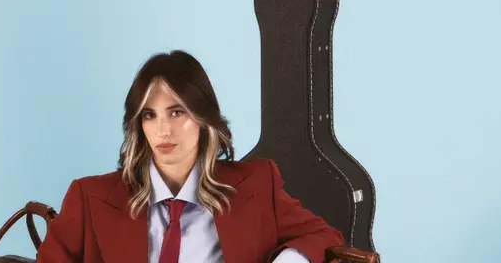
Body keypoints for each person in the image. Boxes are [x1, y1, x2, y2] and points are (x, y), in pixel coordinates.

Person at [36, 50, 344, 263]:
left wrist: (289, 259)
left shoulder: (257, 184)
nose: (163, 130)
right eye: (149, 115)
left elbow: (324, 236)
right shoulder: (89, 197)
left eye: (177, 112)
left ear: (202, 118)